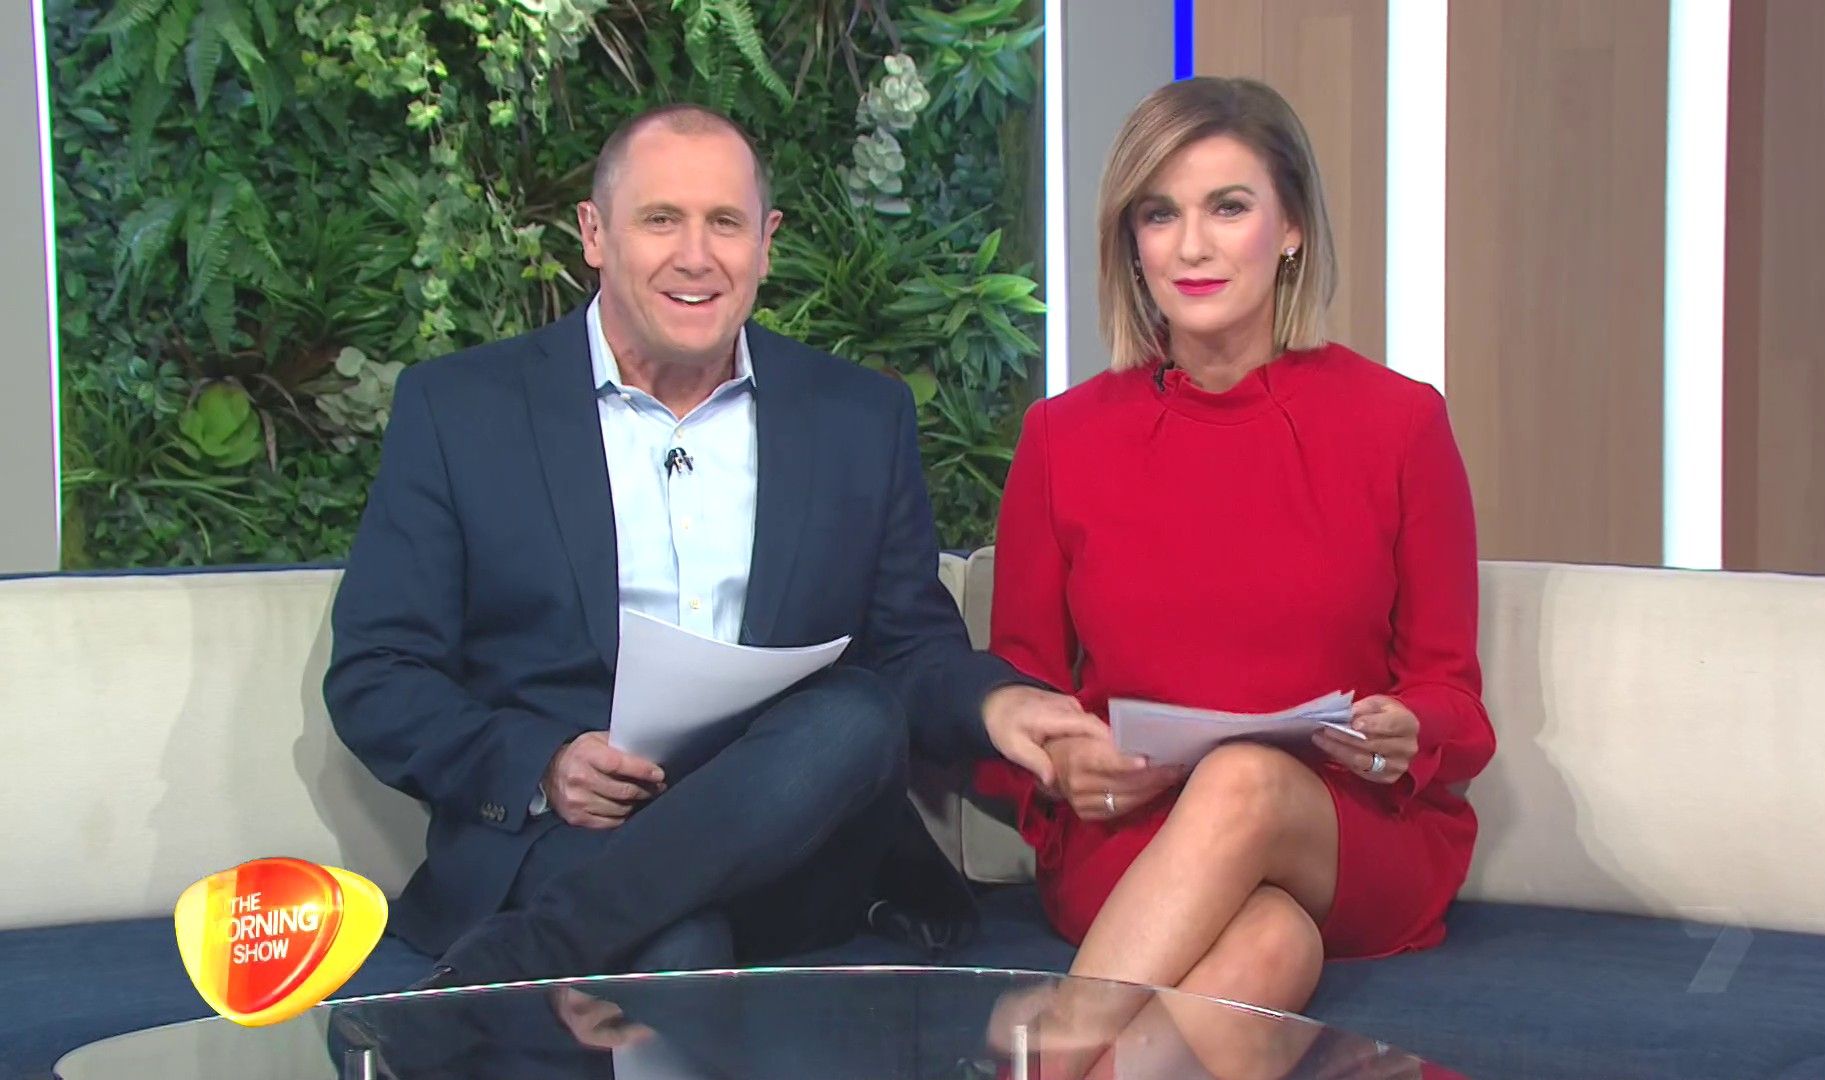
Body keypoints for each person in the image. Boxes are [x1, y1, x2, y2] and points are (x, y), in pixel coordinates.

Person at [324, 102, 1101, 987]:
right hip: (571, 835)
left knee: (854, 715)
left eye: (725, 223)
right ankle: (577, 936)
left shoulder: (855, 417)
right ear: (595, 234)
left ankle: (535, 954)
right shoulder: (463, 411)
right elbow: (378, 672)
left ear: (765, 244)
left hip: (794, 841)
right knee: (676, 947)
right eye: (661, 220)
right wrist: (542, 765)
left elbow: (909, 649)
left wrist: (996, 704)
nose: (696, 256)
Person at [975, 76, 1498, 1029]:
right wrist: (1060, 768)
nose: (1192, 246)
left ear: (1290, 225)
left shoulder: (1401, 424)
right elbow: (1022, 693)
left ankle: (1051, 1045)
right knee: (1270, 946)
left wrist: (1405, 727)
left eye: (1228, 207)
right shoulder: (1062, 439)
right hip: (1132, 836)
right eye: (1160, 214)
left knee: (1244, 778)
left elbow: (1455, 703)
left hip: (1347, 832)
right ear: (1132, 242)